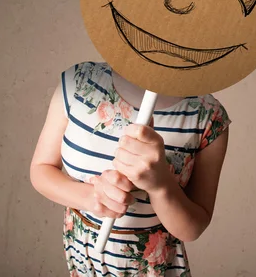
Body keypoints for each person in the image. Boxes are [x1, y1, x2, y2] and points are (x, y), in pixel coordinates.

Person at [30, 61, 230, 277]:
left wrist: (160, 185)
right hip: (82, 258)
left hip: (153, 268)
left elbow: (193, 228)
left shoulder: (208, 116)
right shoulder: (77, 82)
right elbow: (41, 169)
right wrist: (92, 197)